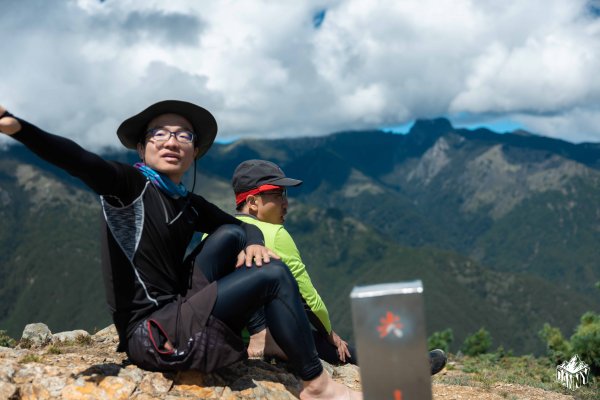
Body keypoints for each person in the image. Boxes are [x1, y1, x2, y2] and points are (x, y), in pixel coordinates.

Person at [0, 101, 361, 400]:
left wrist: (252, 242)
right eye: (160, 133)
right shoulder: (128, 187)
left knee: (231, 235)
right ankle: (316, 384)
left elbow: (241, 225)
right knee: (274, 274)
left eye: (183, 135)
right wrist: (20, 128)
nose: (172, 141)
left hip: (180, 310)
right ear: (142, 148)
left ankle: (270, 336)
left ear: (193, 153)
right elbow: (79, 160)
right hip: (152, 333)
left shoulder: (187, 203)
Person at [231, 159, 447, 375]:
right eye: (278, 196)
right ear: (252, 202)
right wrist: (329, 333)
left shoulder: (218, 230)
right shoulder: (275, 235)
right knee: (338, 349)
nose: (286, 203)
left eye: (285, 195)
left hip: (229, 338)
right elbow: (307, 297)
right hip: (272, 336)